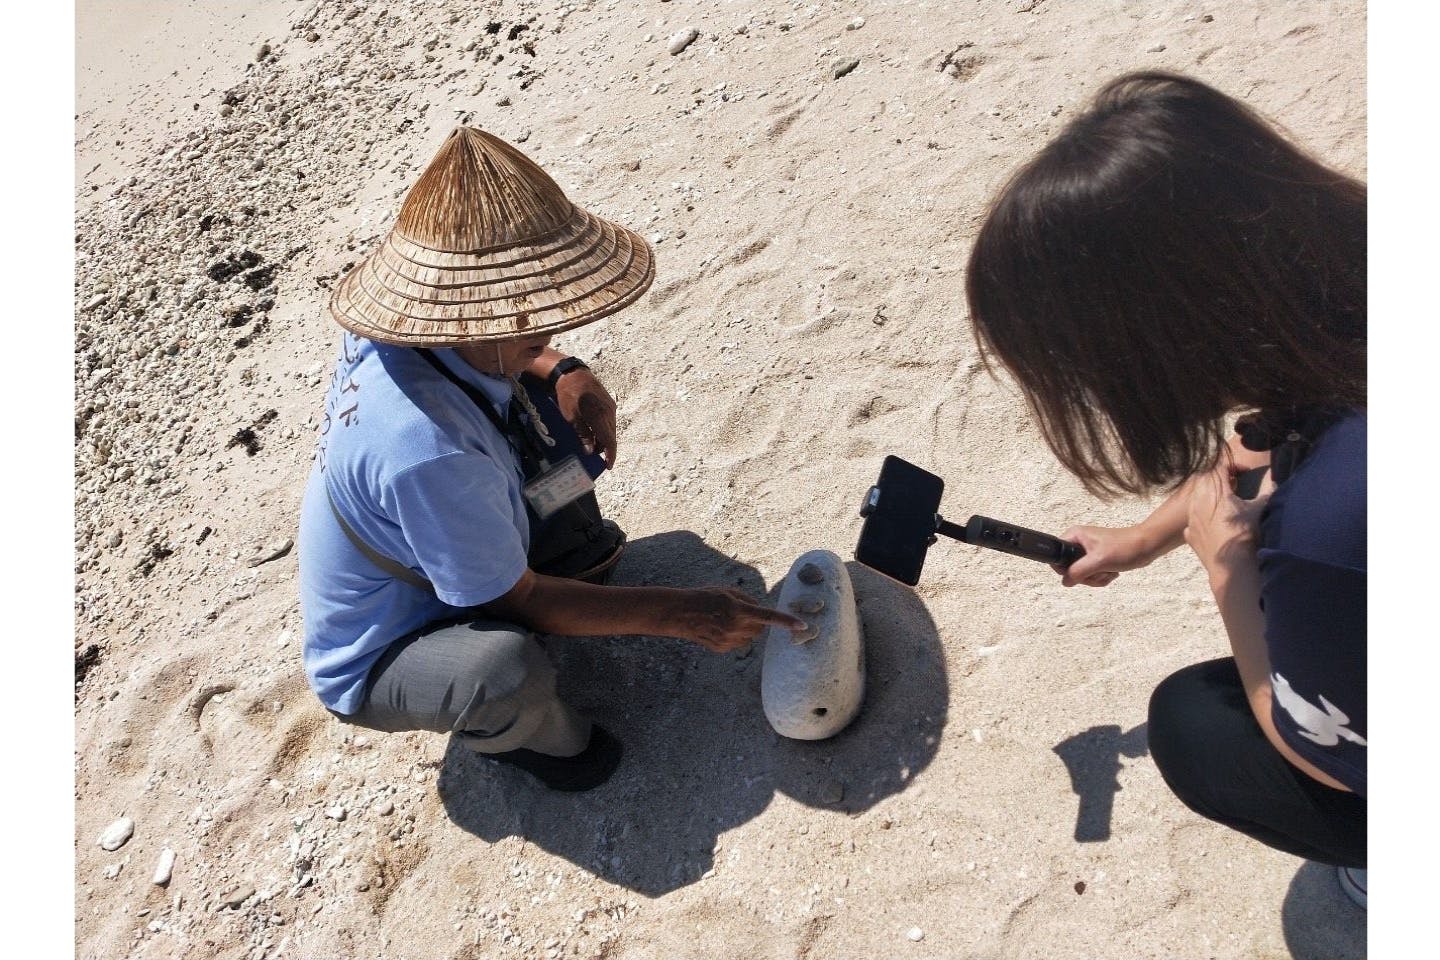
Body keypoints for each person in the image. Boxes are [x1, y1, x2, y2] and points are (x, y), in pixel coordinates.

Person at [298, 127, 806, 793]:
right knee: (511, 676)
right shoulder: (429, 450)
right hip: (380, 649)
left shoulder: (390, 329)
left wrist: (560, 366)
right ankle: (517, 741)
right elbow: (524, 599)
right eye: (526, 312)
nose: (547, 319)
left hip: (429, 529)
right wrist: (685, 613)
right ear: (471, 313)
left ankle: (548, 558)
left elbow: (486, 352)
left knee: (552, 431)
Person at [964, 73, 1366, 904]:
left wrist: (1231, 570)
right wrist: (1144, 539)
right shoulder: (1345, 299)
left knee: (1191, 724)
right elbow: (1257, 441)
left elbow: (1317, 749)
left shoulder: (1327, 532)